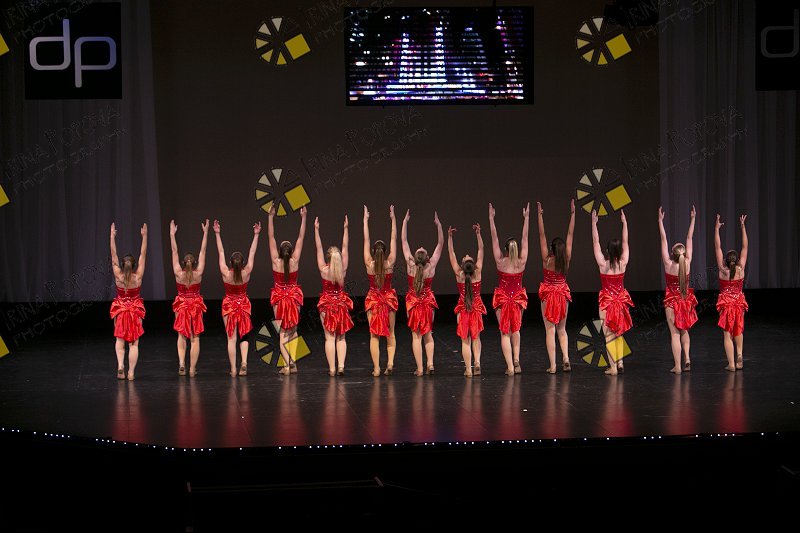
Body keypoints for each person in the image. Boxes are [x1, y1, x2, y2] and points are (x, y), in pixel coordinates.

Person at [215, 219, 260, 377]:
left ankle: (234, 369)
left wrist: (217, 233)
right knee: (244, 335)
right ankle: (244, 363)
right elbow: (252, 252)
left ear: (230, 263)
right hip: (243, 304)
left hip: (229, 305)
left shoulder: (225, 273)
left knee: (231, 338)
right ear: (243, 263)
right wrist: (256, 235)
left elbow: (221, 252)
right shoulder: (246, 272)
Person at [401, 209, 444, 376]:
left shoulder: (410, 265)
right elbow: (440, 245)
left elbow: (404, 241)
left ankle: (420, 368)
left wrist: (404, 222)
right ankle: (430, 364)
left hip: (413, 303)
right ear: (426, 258)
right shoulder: (430, 267)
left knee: (416, 336)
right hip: (427, 303)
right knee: (428, 334)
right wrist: (439, 226)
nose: (421, 246)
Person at [489, 202, 530, 375]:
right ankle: (517, 360)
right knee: (516, 330)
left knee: (505, 332)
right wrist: (526, 218)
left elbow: (494, 239)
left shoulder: (500, 261)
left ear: (505, 250)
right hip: (517, 298)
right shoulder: (521, 262)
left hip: (503, 299)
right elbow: (525, 238)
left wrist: (491, 219)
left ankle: (510, 367)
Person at [591, 209, 633, 376]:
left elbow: (595, 242)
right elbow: (626, 241)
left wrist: (594, 224)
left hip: (607, 302)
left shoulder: (603, 264)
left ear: (608, 251)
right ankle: (620, 362)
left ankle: (613, 367)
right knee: (618, 332)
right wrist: (625, 223)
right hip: (620, 300)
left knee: (609, 335)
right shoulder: (623, 262)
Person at [658, 205, 698, 374]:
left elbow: (663, 239)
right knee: (685, 331)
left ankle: (678, 366)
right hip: (685, 300)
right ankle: (687, 358)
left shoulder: (668, 264)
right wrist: (693, 219)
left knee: (674, 334)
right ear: (683, 254)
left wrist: (660, 221)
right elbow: (689, 237)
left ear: (672, 254)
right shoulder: (687, 262)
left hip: (671, 302)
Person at [537, 200, 575, 374]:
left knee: (550, 330)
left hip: (548, 294)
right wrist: (573, 214)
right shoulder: (566, 258)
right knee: (562, 329)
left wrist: (540, 215)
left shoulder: (547, 260)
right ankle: (566, 358)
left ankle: (553, 365)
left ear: (551, 249)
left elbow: (541, 235)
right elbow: (570, 234)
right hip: (562, 294)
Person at [268, 205, 307, 375]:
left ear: (279, 251)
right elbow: (301, 237)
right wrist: (303, 218)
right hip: (293, 296)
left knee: (283, 332)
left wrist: (270, 217)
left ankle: (286, 365)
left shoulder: (276, 261)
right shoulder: (295, 261)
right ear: (291, 252)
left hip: (279, 297)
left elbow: (271, 237)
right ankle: (293, 363)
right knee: (293, 330)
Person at [315, 215, 354, 376]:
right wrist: (346, 228)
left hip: (327, 305)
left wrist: (316, 230)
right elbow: (345, 246)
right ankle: (341, 366)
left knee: (329, 337)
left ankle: (332, 369)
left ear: (328, 258)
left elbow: (318, 248)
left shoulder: (324, 270)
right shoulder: (343, 269)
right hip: (340, 304)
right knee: (341, 337)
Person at [170, 219, 209, 377]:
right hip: (195, 304)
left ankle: (181, 364)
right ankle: (192, 369)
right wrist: (205, 233)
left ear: (183, 263)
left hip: (181, 304)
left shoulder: (178, 273)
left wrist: (172, 234)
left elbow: (174, 251)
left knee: (181, 335)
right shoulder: (198, 274)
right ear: (194, 263)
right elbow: (203, 251)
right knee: (195, 337)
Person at [363, 205, 399, 376]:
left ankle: (377, 368)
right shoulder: (389, 263)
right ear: (385, 253)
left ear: (373, 251)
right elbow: (394, 238)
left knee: (374, 335)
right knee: (390, 333)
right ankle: (390, 363)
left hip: (373, 300)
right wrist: (393, 219)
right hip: (388, 299)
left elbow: (366, 240)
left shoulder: (369, 264)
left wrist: (365, 220)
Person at [109, 222, 147, 381]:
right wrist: (144, 236)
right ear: (134, 265)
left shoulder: (118, 275)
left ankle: (120, 366)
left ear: (122, 265)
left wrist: (112, 236)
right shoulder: (137, 277)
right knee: (134, 343)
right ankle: (131, 373)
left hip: (120, 309)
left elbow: (113, 255)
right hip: (135, 309)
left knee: (120, 339)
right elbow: (143, 255)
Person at [448, 223, 486, 377]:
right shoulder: (478, 273)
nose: (466, 254)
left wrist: (450, 237)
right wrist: (478, 234)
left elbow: (451, 254)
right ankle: (477, 362)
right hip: (476, 307)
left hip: (463, 308)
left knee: (465, 339)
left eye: (465, 257)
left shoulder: (459, 274)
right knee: (476, 337)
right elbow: (481, 250)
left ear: (463, 266)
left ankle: (469, 369)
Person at [714, 214, 749, 372]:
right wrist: (743, 227)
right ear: (737, 260)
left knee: (727, 333)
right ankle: (739, 355)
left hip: (726, 303)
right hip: (738, 302)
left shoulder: (723, 271)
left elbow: (717, 248)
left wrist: (716, 229)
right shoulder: (741, 269)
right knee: (738, 329)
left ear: (725, 261)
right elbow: (745, 248)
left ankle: (732, 364)